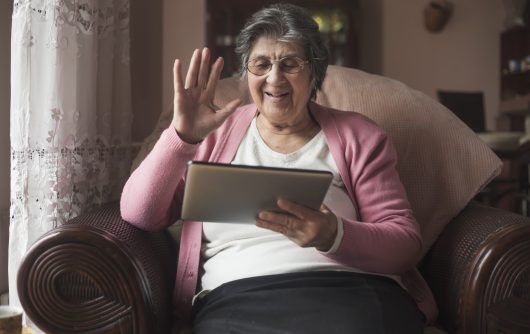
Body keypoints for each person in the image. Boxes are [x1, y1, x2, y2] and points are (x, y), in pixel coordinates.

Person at [121, 3, 437, 333]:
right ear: (247, 73)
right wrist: (181, 136)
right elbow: (139, 213)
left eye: (290, 64)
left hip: (351, 293)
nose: (274, 78)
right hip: (236, 301)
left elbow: (404, 242)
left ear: (314, 71)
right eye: (261, 64)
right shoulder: (211, 135)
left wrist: (335, 235)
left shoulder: (359, 136)